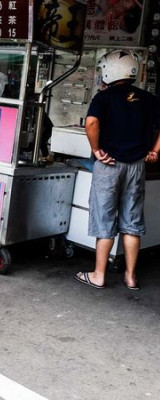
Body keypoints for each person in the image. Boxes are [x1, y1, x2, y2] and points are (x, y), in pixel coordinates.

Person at [74, 50, 160, 290]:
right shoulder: (148, 98)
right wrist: (155, 151)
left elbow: (91, 123)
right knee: (131, 222)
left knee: (105, 220)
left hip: (109, 165)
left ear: (109, 71)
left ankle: (99, 275)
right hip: (136, 167)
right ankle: (131, 277)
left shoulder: (104, 98)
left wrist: (97, 149)